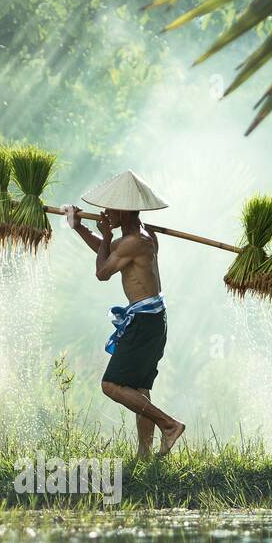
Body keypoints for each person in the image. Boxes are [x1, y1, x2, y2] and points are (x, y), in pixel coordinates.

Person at [65, 169, 185, 458]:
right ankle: (144, 453)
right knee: (137, 388)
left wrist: (105, 234)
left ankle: (169, 425)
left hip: (145, 321)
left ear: (125, 211)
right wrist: (79, 227)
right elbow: (107, 251)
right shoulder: (141, 235)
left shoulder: (135, 241)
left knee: (112, 385)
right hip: (152, 318)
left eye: (111, 208)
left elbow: (102, 271)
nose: (105, 212)